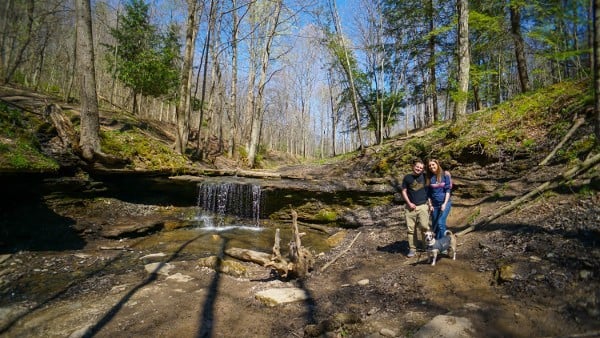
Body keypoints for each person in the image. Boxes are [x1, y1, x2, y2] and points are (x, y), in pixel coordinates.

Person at [401, 159, 430, 257]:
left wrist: (447, 174)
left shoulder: (425, 177)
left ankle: (426, 245)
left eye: (421, 168)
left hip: (423, 206)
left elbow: (437, 174)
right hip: (410, 208)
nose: (419, 169)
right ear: (413, 166)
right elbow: (404, 191)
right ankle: (413, 248)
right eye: (417, 167)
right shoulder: (407, 178)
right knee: (411, 229)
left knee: (424, 227)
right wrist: (409, 203)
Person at [426, 159, 452, 240]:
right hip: (434, 205)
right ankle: (436, 243)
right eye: (430, 165)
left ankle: (444, 243)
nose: (431, 166)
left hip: (445, 203)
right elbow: (428, 194)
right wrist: (430, 205)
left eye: (433, 164)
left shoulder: (445, 175)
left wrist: (444, 203)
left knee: (440, 223)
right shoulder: (429, 178)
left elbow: (448, 190)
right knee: (434, 224)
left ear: (437, 164)